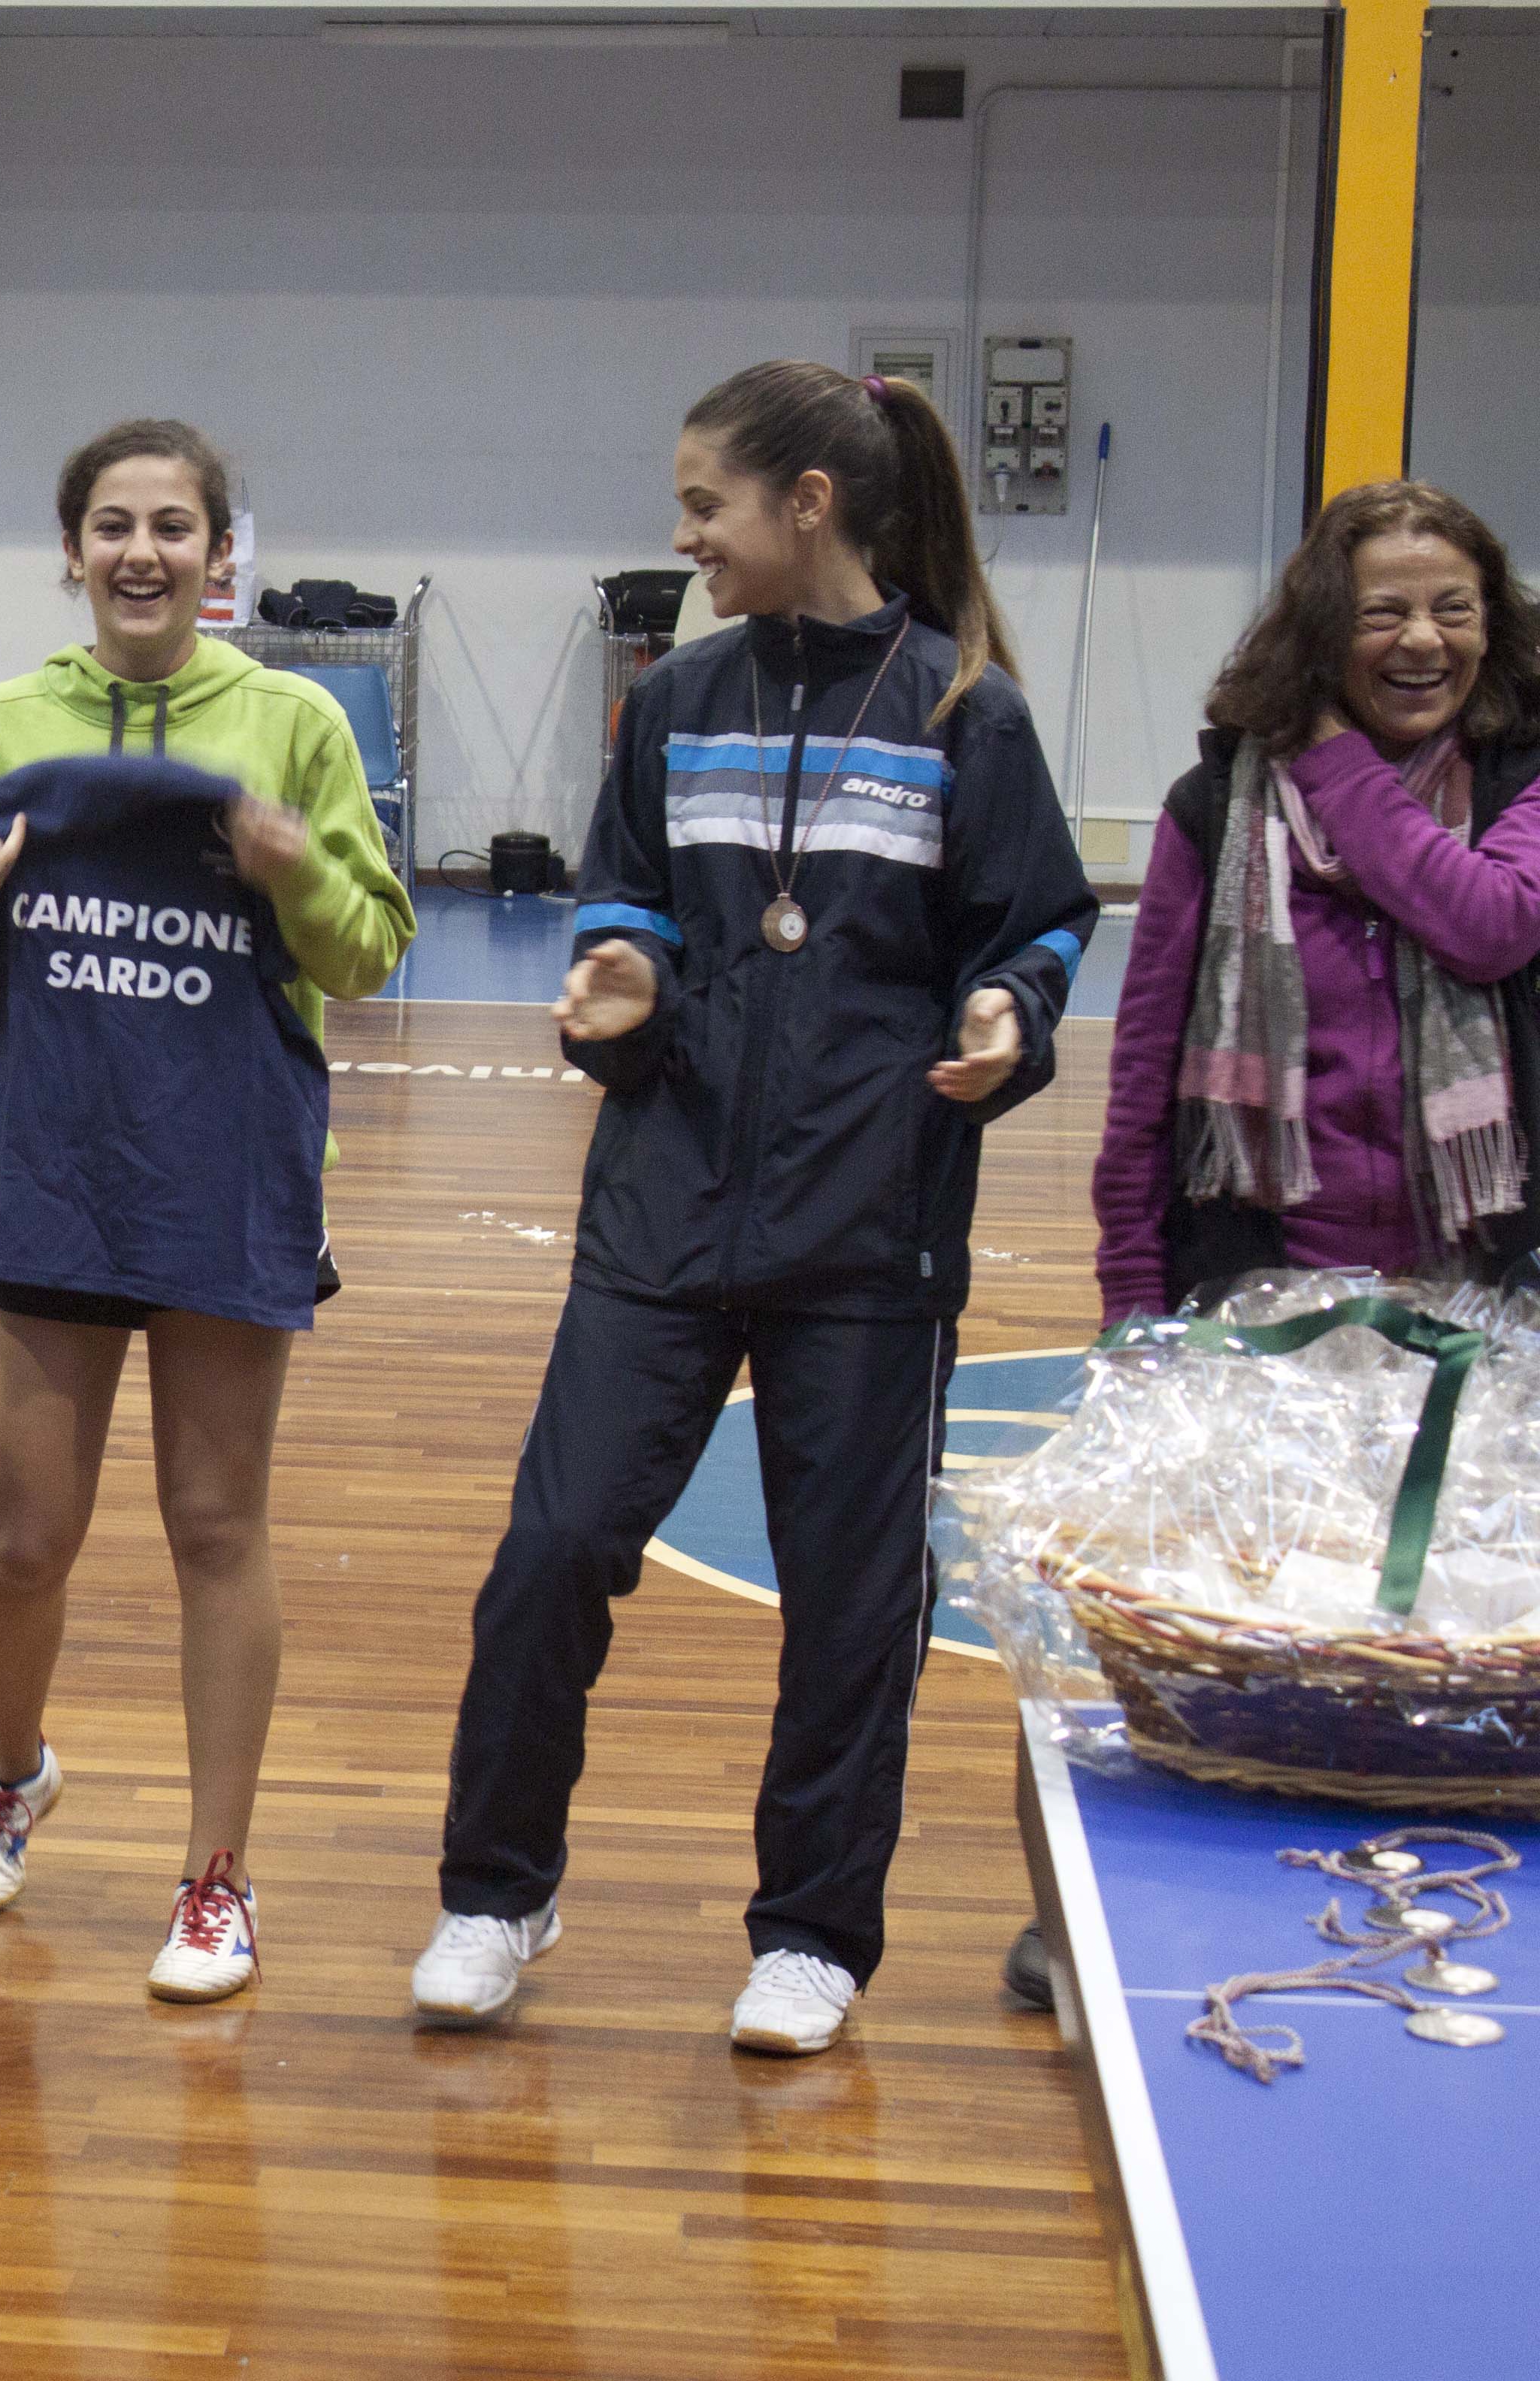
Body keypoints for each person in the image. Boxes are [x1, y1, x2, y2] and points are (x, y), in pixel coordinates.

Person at [407, 361, 1097, 2057]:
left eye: (705, 502)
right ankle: (496, 1892)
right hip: (664, 1203)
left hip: (872, 1227)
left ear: (808, 505)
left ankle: (812, 1935)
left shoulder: (964, 713)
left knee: (855, 1598)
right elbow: (624, 896)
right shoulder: (677, 697)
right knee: (555, 1550)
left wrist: (1008, 1017)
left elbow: (1037, 925)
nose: (683, 533)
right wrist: (621, 975)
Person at [0, 418, 416, 2005]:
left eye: (175, 528)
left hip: (226, 1180)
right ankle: (15, 1767)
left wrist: (292, 869)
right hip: (47, 1167)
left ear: (219, 555)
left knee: (215, 1527)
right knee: (26, 1537)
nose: (142, 555)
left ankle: (217, 1880)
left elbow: (371, 953)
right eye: (113, 525)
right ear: (71, 548)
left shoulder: (296, 723)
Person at [1005, 483, 1540, 2012]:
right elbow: (1149, 1066)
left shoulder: (1520, 777)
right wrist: (1130, 1304)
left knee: (1447, 1641)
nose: (1423, 638)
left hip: (1478, 1304)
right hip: (1263, 1307)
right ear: (1324, 627)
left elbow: (1490, 927)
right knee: (1254, 1627)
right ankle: (1139, 1935)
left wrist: (1327, 762)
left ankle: (1431, 1907)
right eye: (1384, 611)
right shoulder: (1208, 813)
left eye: (1453, 606)